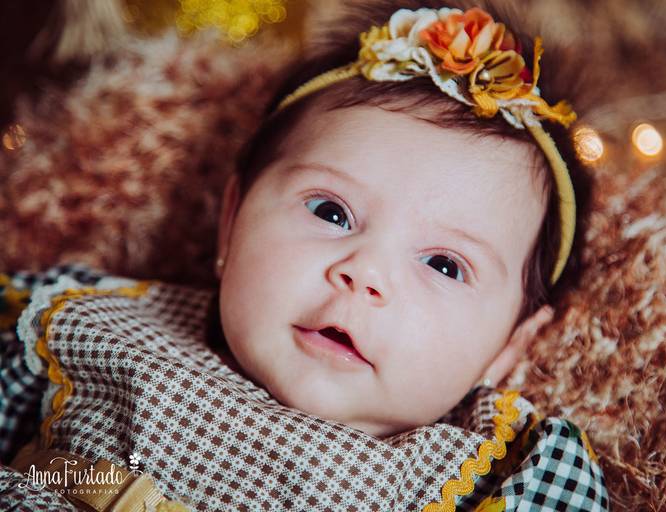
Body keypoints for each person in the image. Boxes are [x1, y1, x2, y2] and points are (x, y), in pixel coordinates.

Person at [0, 2, 608, 510]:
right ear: (231, 222)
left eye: (444, 265)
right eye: (331, 212)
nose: (364, 273)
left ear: (509, 347)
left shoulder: (495, 474)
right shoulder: (94, 325)